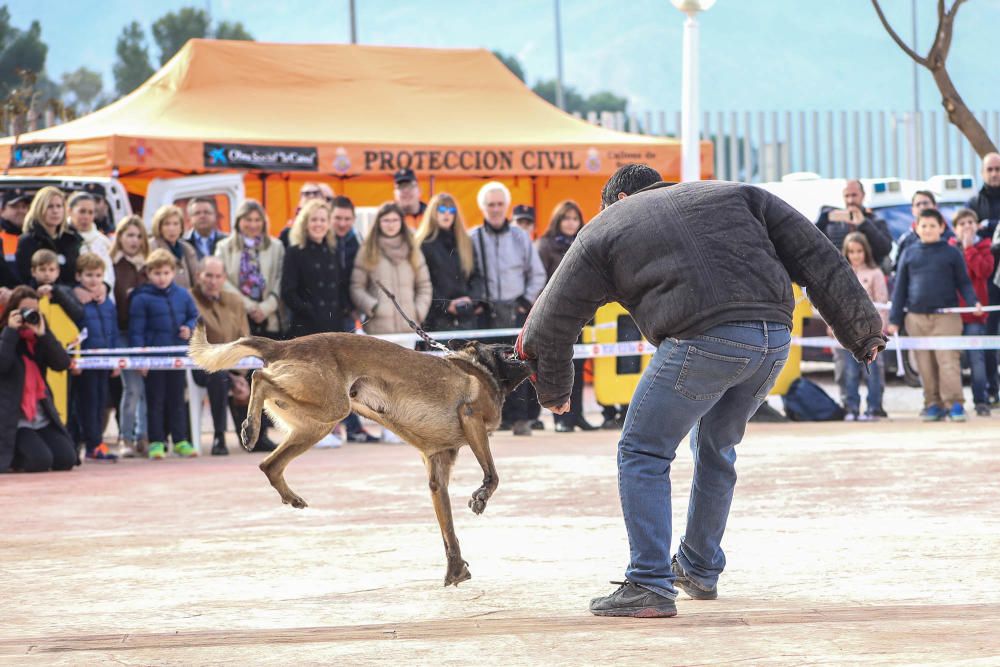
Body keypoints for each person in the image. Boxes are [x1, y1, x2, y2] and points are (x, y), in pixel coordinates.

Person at [518, 167, 886, 618]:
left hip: (702, 339)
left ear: (620, 197)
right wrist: (862, 331)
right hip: (773, 337)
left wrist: (554, 389)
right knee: (716, 446)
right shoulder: (738, 194)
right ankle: (699, 566)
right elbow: (817, 253)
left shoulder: (609, 223)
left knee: (643, 450)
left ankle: (650, 582)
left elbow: (551, 317)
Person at [889, 208, 981, 422]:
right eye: (924, 226)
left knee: (948, 361)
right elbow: (900, 288)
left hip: (946, 318)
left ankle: (955, 404)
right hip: (915, 318)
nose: (928, 230)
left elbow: (964, 283)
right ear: (916, 228)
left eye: (932, 226)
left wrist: (973, 302)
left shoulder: (952, 253)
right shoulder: (909, 253)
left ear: (941, 227)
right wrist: (894, 320)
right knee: (924, 364)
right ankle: (932, 403)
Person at [469, 181, 546, 436]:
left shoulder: (520, 237)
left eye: (499, 204)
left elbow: (537, 274)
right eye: (490, 204)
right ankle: (494, 419)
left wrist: (525, 301)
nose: (495, 209)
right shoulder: (472, 238)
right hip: (487, 312)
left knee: (519, 366)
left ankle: (520, 419)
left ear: (507, 206)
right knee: (488, 367)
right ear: (482, 207)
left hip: (517, 311)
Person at [192, 255, 276, 455]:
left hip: (236, 362)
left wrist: (240, 375)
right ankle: (219, 437)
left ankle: (258, 435)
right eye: (208, 276)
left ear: (224, 278)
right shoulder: (190, 299)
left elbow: (244, 340)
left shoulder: (235, 301)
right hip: (203, 364)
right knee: (220, 379)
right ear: (198, 276)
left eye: (218, 276)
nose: (213, 281)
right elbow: (198, 344)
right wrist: (231, 376)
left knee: (260, 375)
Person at [129, 249, 200, 459]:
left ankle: (180, 441)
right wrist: (140, 359)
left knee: (177, 400)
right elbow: (136, 332)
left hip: (177, 357)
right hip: (154, 360)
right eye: (157, 273)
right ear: (149, 273)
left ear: (173, 272)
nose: (162, 277)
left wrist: (188, 327)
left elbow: (194, 317)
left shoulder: (183, 294)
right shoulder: (141, 298)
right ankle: (157, 442)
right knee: (155, 401)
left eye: (166, 272)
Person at [0, 286, 77, 473]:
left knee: (66, 459)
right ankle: (12, 456)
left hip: (40, 416)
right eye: (23, 311)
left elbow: (62, 363)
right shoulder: (5, 335)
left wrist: (44, 334)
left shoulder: (39, 339)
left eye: (33, 311)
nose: (28, 316)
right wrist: (10, 332)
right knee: (40, 461)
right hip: (14, 419)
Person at [536, 200, 598, 432]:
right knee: (557, 368)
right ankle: (561, 418)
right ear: (557, 221)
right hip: (553, 317)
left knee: (579, 367)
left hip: (580, 315)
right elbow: (539, 280)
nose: (571, 223)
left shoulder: (585, 244)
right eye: (566, 218)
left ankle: (577, 415)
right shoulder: (545, 245)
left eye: (575, 218)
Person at [328, 196, 378, 443]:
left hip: (347, 315)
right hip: (324, 314)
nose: (342, 223)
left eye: (347, 219)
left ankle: (353, 424)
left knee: (349, 374)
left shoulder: (356, 242)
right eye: (338, 218)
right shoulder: (323, 239)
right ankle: (337, 425)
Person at [350, 202, 432, 335]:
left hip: (409, 328)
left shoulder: (413, 249)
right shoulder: (367, 250)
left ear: (401, 222)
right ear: (378, 223)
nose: (391, 224)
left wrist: (418, 311)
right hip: (378, 330)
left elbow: (424, 286)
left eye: (395, 220)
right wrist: (372, 306)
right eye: (386, 220)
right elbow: (356, 287)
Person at [215, 200, 285, 338]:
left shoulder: (276, 246)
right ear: (238, 221)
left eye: (257, 220)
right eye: (248, 220)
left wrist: (265, 308)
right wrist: (249, 306)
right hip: (236, 318)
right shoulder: (224, 247)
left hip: (269, 318)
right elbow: (221, 281)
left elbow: (281, 279)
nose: (253, 225)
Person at [74, 253, 120, 461]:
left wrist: (115, 359)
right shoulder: (76, 301)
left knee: (101, 402)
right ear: (78, 276)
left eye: (98, 275)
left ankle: (97, 442)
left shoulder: (106, 302)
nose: (93, 280)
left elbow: (113, 330)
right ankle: (90, 443)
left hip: (105, 360)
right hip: (85, 362)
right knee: (87, 403)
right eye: (89, 275)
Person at [415, 193, 483, 332]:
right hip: (436, 319)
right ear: (433, 213)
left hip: (465, 316)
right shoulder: (423, 244)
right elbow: (421, 283)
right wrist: (446, 305)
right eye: (442, 210)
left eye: (451, 210)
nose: (447, 214)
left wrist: (471, 300)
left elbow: (476, 276)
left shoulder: (465, 242)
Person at [838, 233, 889, 421]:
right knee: (849, 372)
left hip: (870, 332)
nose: (855, 255)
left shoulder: (875, 273)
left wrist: (879, 331)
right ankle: (851, 408)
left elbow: (882, 302)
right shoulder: (841, 273)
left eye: (859, 251)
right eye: (851, 251)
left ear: (865, 251)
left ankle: (874, 407)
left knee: (874, 372)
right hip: (846, 331)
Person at [110, 216, 149, 457]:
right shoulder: (113, 265)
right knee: (132, 388)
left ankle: (144, 436)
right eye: (129, 235)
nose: (134, 241)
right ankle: (125, 437)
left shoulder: (149, 266)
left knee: (145, 389)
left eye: (138, 236)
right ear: (120, 237)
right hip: (122, 333)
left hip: (147, 336)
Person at [950, 208, 994, 417]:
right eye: (962, 223)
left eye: (970, 222)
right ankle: (955, 402)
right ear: (954, 229)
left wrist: (969, 249)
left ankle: (981, 400)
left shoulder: (985, 247)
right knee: (952, 360)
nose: (967, 226)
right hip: (952, 314)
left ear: (976, 225)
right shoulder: (948, 249)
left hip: (975, 315)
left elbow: (983, 271)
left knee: (977, 359)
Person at [282, 199, 342, 338]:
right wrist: (308, 310)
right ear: (305, 223)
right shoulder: (294, 252)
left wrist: (343, 309)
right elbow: (288, 292)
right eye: (314, 220)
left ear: (328, 224)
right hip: (307, 327)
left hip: (334, 326)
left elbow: (341, 287)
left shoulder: (333, 252)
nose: (318, 224)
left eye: (323, 220)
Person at [969, 152, 1000, 406]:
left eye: (998, 169)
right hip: (988, 279)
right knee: (989, 336)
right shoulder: (973, 202)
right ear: (982, 172)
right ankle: (992, 389)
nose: (994, 173)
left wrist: (989, 225)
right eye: (989, 169)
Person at [16, 187, 82, 287]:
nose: (55, 211)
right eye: (50, 206)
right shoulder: (28, 241)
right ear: (39, 209)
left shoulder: (71, 239)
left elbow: (80, 274)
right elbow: (24, 278)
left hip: (70, 297)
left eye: (59, 206)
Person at [815, 180, 892, 264]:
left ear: (863, 195)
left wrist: (864, 224)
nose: (850, 200)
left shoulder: (876, 221)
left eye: (854, 195)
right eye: (847, 196)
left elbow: (885, 249)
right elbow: (815, 246)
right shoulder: (833, 223)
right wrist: (821, 222)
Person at [891, 190, 953, 270]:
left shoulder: (950, 237)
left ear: (935, 206)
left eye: (925, 203)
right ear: (912, 210)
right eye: (918, 204)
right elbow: (898, 270)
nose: (922, 207)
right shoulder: (906, 241)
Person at [66, 192, 114, 290]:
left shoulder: (102, 241)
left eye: (90, 212)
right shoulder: (62, 237)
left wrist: (104, 287)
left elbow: (109, 273)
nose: (86, 217)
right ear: (70, 211)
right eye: (82, 211)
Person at [148, 204, 199, 290]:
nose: (172, 228)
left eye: (176, 224)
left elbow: (196, 279)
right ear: (159, 227)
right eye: (167, 224)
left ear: (181, 227)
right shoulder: (152, 247)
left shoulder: (187, 248)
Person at [279, 182, 329, 247]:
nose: (311, 196)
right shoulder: (288, 232)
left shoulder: (330, 230)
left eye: (316, 193)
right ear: (300, 201)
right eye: (306, 193)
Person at [1, 188, 30, 277]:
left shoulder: (36, 238)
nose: (20, 211)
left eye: (24, 207)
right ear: (2, 210)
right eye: (14, 206)